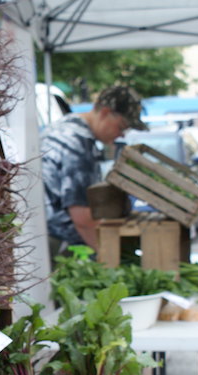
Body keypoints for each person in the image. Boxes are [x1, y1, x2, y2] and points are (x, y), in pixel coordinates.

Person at [40, 85, 148, 258]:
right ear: (105, 112)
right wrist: (107, 259)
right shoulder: (79, 145)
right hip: (58, 246)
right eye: (121, 127)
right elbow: (83, 219)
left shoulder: (63, 127)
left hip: (41, 236)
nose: (122, 135)